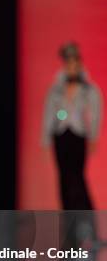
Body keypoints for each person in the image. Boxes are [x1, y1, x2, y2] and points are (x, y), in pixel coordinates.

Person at [41, 41, 103, 250]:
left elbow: (95, 112)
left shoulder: (88, 87)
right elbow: (49, 111)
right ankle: (71, 236)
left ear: (79, 63)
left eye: (74, 62)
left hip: (78, 137)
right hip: (61, 136)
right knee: (64, 183)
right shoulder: (57, 88)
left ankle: (91, 233)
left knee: (77, 182)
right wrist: (46, 138)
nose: (71, 66)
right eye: (68, 62)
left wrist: (93, 136)